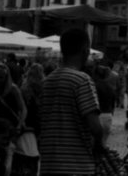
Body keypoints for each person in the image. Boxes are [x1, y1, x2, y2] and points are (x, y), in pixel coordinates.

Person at [39, 28, 103, 176]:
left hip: (49, 164)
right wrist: (98, 145)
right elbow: (95, 126)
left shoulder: (47, 81)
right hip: (76, 165)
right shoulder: (82, 80)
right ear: (85, 51)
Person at [92, 64, 116, 146]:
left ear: (96, 74)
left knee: (94, 145)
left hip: (97, 117)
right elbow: (113, 104)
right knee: (103, 143)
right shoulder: (110, 87)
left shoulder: (93, 86)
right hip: (108, 116)